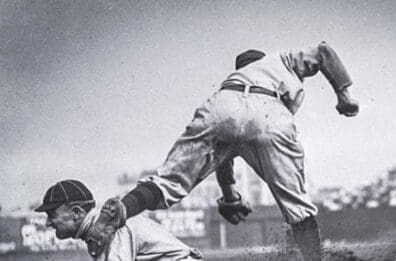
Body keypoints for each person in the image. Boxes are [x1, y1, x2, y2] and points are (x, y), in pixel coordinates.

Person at [85, 41, 359, 260]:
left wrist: (230, 198)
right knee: (298, 208)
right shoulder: (280, 61)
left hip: (220, 109)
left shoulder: (231, 81)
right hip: (269, 109)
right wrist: (344, 94)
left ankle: (123, 207)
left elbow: (221, 160)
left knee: (167, 182)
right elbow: (324, 51)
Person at [35, 179, 203, 260]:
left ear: (76, 212)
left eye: (52, 214)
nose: (48, 222)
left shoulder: (107, 226)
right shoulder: (99, 227)